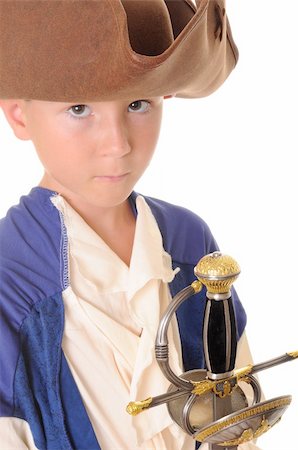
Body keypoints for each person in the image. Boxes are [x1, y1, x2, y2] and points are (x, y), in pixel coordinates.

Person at [0, 1, 259, 449]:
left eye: (138, 103)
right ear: (20, 114)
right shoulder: (10, 274)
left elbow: (236, 403)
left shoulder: (188, 240)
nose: (118, 144)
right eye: (79, 109)